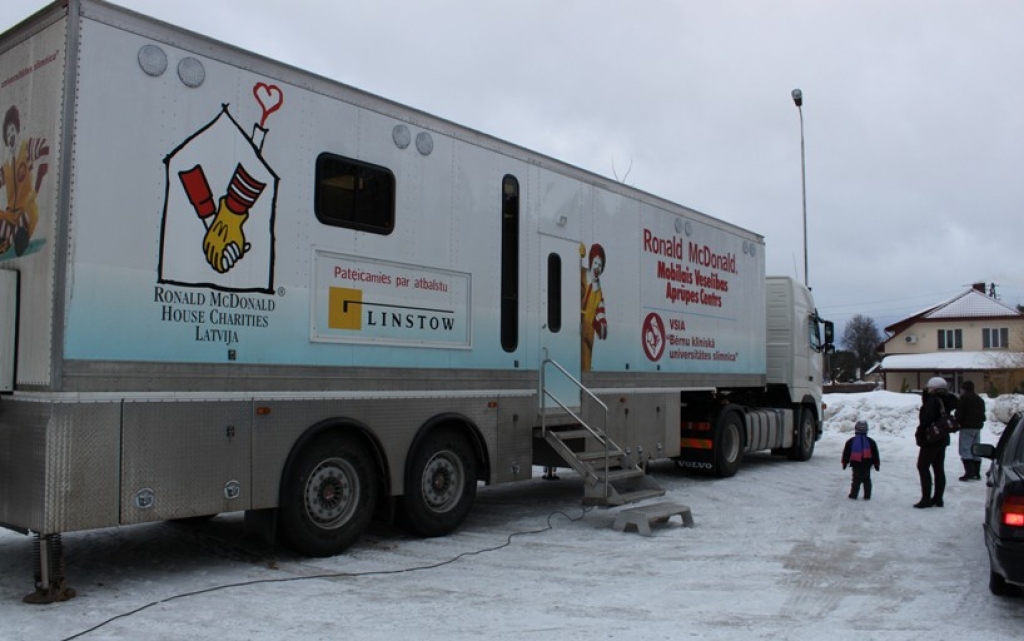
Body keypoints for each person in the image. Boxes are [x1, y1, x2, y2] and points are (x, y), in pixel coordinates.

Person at [914, 376, 958, 508]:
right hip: (942, 437)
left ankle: (926, 498)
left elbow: (925, 420)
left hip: (931, 438)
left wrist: (920, 435)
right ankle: (938, 498)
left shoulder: (932, 401)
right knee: (939, 468)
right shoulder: (946, 400)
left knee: (923, 466)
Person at [842, 420, 880, 500]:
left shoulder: (851, 441)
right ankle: (867, 495)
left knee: (856, 479)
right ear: (866, 430)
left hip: (856, 464)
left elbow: (846, 453)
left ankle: (853, 494)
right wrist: (876, 464)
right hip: (867, 463)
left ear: (856, 430)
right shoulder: (871, 442)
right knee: (867, 479)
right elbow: (875, 454)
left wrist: (845, 462)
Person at [955, 380, 985, 481]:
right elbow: (983, 415)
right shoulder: (979, 399)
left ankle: (969, 473)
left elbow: (959, 413)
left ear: (964, 388)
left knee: (966, 449)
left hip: (966, 427)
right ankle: (977, 473)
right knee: (975, 449)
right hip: (977, 428)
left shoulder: (963, 398)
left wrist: (956, 421)